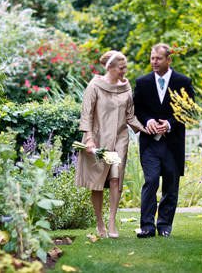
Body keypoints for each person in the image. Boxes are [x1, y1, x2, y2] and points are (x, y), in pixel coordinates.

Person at [75, 50, 147, 238]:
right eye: (121, 68)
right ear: (111, 68)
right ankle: (100, 223)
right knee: (97, 183)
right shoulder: (95, 85)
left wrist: (147, 128)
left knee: (116, 178)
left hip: (120, 140)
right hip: (98, 140)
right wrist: (89, 138)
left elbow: (130, 115)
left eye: (125, 68)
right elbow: (86, 114)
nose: (124, 71)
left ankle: (112, 220)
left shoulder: (126, 86)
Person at [133, 43, 194, 238]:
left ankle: (165, 225)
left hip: (173, 143)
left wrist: (169, 124)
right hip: (149, 143)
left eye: (158, 58)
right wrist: (148, 121)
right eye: (152, 58)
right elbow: (137, 110)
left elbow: (189, 110)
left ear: (169, 60)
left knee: (170, 184)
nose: (154, 62)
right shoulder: (142, 83)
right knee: (150, 181)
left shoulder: (183, 81)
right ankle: (147, 227)